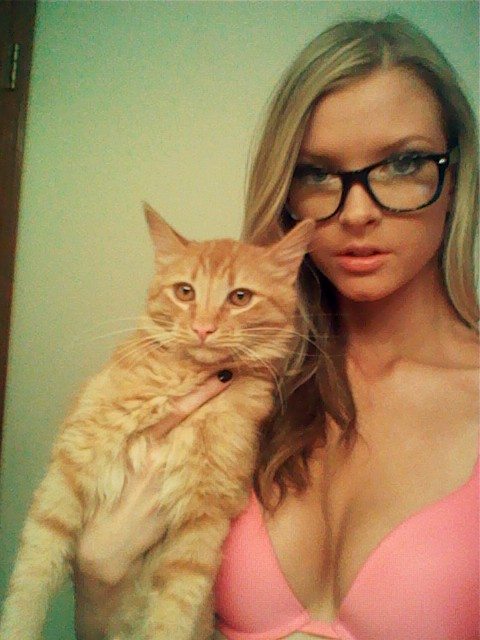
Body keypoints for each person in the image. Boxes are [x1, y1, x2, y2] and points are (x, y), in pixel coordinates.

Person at [74, 15, 479, 640]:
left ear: (455, 175)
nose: (358, 212)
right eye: (317, 173)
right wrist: (99, 586)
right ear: (286, 192)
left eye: (403, 163)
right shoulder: (233, 375)